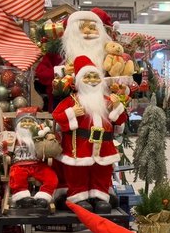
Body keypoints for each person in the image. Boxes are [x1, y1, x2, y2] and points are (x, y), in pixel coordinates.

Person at [51, 55, 127, 212]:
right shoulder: (72, 100)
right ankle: (79, 197)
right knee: (78, 173)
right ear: (79, 80)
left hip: (104, 146)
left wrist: (118, 106)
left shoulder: (107, 100)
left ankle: (99, 196)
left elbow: (120, 120)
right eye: (87, 77)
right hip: (79, 146)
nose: (92, 80)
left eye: (95, 76)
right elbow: (57, 116)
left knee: (102, 172)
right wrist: (72, 112)